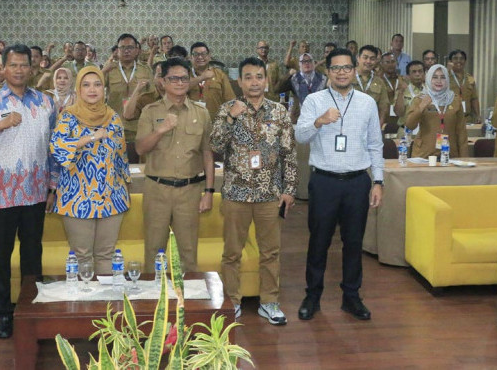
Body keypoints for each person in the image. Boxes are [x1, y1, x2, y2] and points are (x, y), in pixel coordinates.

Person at [0, 44, 57, 340]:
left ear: (32, 68)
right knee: (0, 255)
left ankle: (33, 309)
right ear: (3, 69)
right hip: (2, 193)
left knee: (33, 253)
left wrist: (53, 186)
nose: (18, 70)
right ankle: (4, 312)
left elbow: (54, 149)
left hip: (35, 192)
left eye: (23, 65)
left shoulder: (46, 103)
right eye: (13, 65)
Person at [295, 48, 384, 322]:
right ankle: (313, 295)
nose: (342, 72)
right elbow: (299, 135)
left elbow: (375, 144)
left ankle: (351, 297)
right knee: (319, 241)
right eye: (336, 68)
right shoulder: (314, 100)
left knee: (353, 242)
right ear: (328, 72)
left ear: (355, 70)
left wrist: (378, 180)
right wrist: (319, 121)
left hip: (358, 181)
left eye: (347, 67)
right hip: (324, 182)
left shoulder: (367, 102)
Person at [211, 56, 298, 325]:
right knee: (232, 252)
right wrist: (229, 118)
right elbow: (214, 144)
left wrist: (290, 189)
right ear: (239, 81)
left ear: (266, 79)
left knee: (270, 252)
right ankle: (233, 301)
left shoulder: (279, 112)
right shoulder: (228, 109)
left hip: (269, 194)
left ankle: (269, 302)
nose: (254, 82)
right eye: (248, 77)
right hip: (236, 193)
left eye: (259, 76)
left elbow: (289, 154)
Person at [136, 57, 214, 273]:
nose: (179, 83)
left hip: (189, 191)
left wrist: (208, 191)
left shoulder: (202, 113)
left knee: (188, 252)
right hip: (157, 190)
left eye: (184, 78)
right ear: (162, 81)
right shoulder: (151, 111)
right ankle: (154, 301)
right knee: (154, 250)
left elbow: (207, 154)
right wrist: (160, 130)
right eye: (174, 78)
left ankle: (187, 302)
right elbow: (141, 149)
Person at [50, 66, 131, 274]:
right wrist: (90, 137)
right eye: (86, 85)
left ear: (104, 89)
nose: (92, 89)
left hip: (111, 197)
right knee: (82, 255)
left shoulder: (113, 118)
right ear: (78, 89)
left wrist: (125, 186)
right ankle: (82, 304)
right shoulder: (68, 117)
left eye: (97, 84)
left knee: (106, 254)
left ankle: (104, 306)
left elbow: (121, 155)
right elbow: (57, 148)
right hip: (78, 197)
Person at [404, 64, 468, 159]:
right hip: (423, 155)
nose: (439, 81)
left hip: (449, 154)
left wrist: (464, 159)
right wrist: (421, 107)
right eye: (434, 77)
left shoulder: (455, 100)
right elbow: (409, 125)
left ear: (447, 80)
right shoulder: (420, 99)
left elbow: (461, 132)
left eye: (442, 77)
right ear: (429, 79)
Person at [104, 34, 153, 145]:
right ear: (117, 50)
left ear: (136, 50)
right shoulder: (110, 68)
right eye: (123, 48)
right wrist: (103, 71)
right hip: (114, 126)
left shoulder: (145, 70)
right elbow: (95, 88)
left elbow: (152, 97)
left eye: (130, 48)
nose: (126, 51)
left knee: (139, 161)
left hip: (139, 127)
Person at [187, 42, 235, 120]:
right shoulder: (185, 75)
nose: (200, 57)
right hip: (191, 122)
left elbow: (230, 100)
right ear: (190, 57)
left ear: (209, 56)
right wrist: (202, 77)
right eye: (196, 54)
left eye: (203, 54)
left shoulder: (220, 74)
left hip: (216, 122)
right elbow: (181, 89)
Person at [353, 45, 389, 127]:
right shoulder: (347, 77)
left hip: (371, 125)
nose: (368, 61)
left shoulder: (379, 82)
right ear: (358, 58)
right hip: (349, 124)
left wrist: (378, 127)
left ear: (376, 61)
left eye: (372, 59)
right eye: (365, 57)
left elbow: (383, 107)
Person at [394, 60, 426, 136]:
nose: (417, 74)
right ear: (408, 75)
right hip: (406, 131)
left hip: (424, 131)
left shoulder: (430, 91)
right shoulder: (403, 90)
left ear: (424, 74)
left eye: (420, 71)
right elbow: (399, 113)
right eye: (414, 72)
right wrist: (401, 92)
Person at [447, 49, 480, 122]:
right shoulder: (445, 77)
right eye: (455, 58)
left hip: (466, 119)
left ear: (465, 61)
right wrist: (447, 71)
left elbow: (474, 99)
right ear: (450, 61)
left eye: (461, 59)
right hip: (450, 118)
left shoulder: (470, 79)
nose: (459, 61)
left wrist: (478, 115)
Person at [380, 51, 407, 132]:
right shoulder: (378, 81)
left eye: (393, 62)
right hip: (384, 119)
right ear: (381, 64)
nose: (390, 64)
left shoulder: (403, 80)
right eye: (387, 62)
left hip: (400, 120)